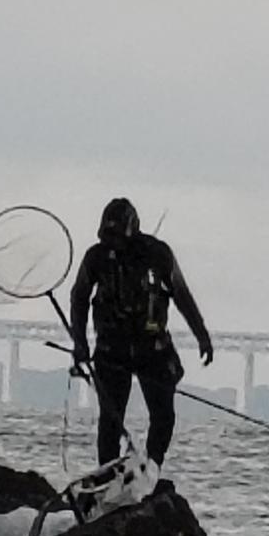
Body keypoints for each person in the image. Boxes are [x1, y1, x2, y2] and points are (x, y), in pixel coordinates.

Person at [69, 198, 214, 468]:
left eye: (118, 236)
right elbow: (78, 298)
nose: (113, 244)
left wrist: (201, 335)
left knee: (164, 416)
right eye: (107, 236)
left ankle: (153, 466)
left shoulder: (158, 254)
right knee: (111, 419)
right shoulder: (96, 257)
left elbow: (182, 296)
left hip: (154, 349)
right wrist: (79, 343)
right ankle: (107, 473)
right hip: (111, 350)